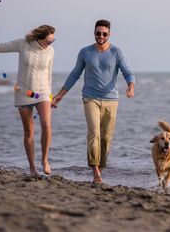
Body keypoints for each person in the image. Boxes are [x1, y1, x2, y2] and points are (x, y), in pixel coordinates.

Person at [51, 19, 135, 183]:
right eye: (98, 33)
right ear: (94, 33)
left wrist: (130, 87)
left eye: (104, 34)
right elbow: (75, 74)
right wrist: (60, 95)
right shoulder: (85, 52)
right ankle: (95, 171)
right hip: (90, 98)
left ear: (109, 34)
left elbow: (128, 72)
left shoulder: (116, 52)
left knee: (106, 138)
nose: (101, 36)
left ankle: (100, 167)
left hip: (112, 99)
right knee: (94, 133)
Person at [0, 20, 55, 176]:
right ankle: (32, 167)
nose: (51, 43)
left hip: (43, 92)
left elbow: (49, 74)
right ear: (41, 37)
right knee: (29, 131)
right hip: (23, 92)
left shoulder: (50, 51)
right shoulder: (23, 44)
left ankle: (45, 160)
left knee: (47, 125)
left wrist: (50, 96)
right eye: (49, 40)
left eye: (53, 40)